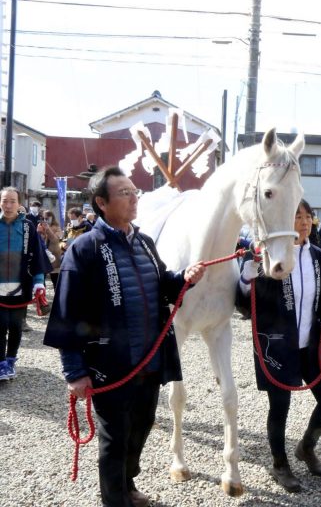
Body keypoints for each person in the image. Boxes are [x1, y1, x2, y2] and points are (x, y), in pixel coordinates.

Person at [44, 166, 206, 507]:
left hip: (149, 360)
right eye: (125, 193)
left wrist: (184, 278)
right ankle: (115, 499)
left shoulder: (144, 242)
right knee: (114, 437)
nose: (134, 199)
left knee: (142, 426)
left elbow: (162, 284)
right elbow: (67, 314)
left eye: (135, 192)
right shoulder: (85, 248)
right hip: (110, 364)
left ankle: (127, 482)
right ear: (102, 203)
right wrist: (74, 371)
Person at [235, 199, 321, 493]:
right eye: (297, 216)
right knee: (280, 406)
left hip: (313, 343)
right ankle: (279, 462)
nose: (305, 221)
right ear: (284, 219)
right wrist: (248, 274)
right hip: (279, 344)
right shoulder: (267, 255)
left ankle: (307, 447)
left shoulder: (318, 257)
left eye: (309, 216)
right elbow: (245, 302)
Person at [0, 187, 51, 381]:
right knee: (0, 324)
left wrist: (39, 283)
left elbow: (37, 258)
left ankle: (10, 359)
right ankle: (1, 363)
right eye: (5, 201)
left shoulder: (29, 227)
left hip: (21, 286)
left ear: (19, 203)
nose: (8, 205)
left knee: (15, 325)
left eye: (12, 201)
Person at [38, 209, 62, 289]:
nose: (45, 220)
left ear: (52, 217)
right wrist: (39, 232)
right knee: (41, 280)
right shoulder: (41, 226)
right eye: (44, 218)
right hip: (43, 255)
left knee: (55, 279)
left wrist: (48, 229)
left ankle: (57, 297)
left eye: (47, 218)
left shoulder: (57, 227)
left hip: (54, 256)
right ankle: (42, 297)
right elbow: (38, 240)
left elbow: (55, 240)